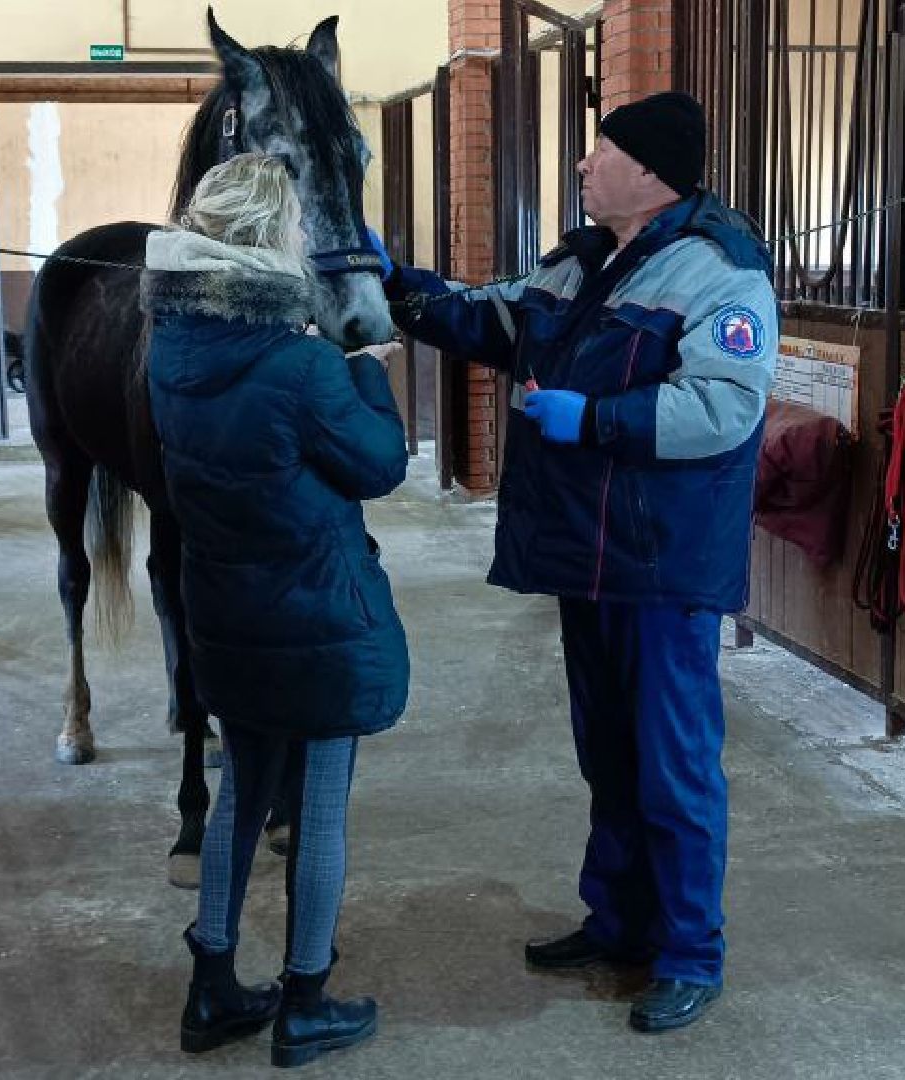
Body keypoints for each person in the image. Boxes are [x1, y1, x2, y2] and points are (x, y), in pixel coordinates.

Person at [379, 90, 775, 1033]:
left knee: (673, 764)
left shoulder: (722, 273)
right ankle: (618, 922)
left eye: (599, 153)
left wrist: (592, 418)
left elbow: (725, 409)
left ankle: (689, 951)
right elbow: (492, 318)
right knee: (608, 755)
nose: (585, 167)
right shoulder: (581, 261)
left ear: (647, 171)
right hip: (589, 558)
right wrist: (396, 282)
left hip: (660, 561)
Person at [142, 151, 412, 1068]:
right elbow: (377, 465)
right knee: (324, 811)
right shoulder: (303, 366)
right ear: (271, 240)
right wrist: (367, 370)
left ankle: (211, 988)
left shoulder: (169, 351)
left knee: (237, 801)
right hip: (317, 622)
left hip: (225, 614)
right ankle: (306, 1000)